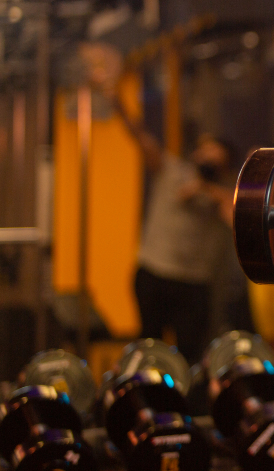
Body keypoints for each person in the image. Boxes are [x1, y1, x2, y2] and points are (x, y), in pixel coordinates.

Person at [108, 88, 237, 363]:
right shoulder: (171, 170)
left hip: (193, 285)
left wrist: (208, 190)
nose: (207, 155)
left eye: (215, 153)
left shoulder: (225, 194)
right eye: (205, 149)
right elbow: (142, 140)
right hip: (154, 273)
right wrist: (117, 101)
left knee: (190, 355)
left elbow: (238, 217)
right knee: (148, 350)